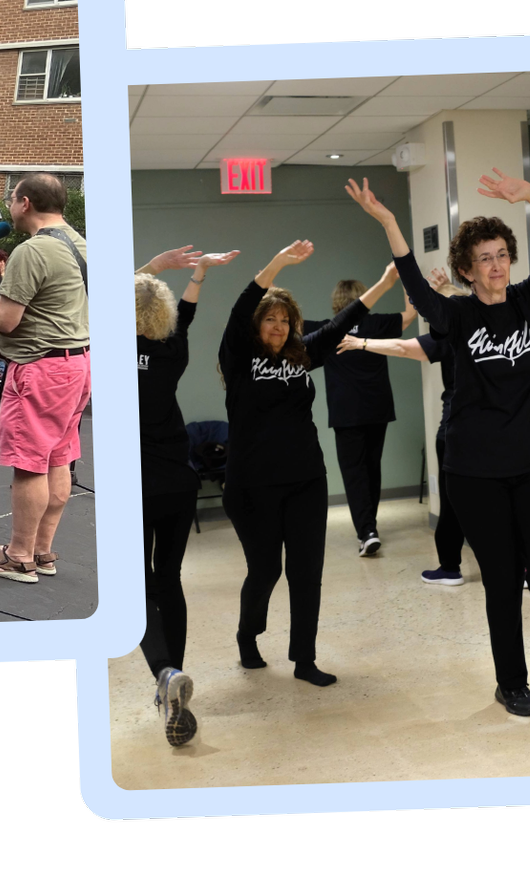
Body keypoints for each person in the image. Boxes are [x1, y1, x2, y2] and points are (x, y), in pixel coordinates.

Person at [351, 170, 530, 724]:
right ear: (466, 269)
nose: (497, 264)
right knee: (502, 580)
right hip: (476, 472)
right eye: (484, 257)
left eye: (503, 253)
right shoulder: (455, 314)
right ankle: (512, 683)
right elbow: (412, 276)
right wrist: (388, 221)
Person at [212, 242, 382, 686]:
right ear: (257, 325)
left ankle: (304, 660)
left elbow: (345, 320)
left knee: (307, 572)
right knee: (266, 569)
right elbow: (240, 307)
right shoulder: (240, 357)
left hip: (306, 480)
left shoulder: (302, 355)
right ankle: (248, 635)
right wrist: (277, 265)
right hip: (252, 486)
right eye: (271, 319)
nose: (279, 326)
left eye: (286, 320)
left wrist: (386, 282)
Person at [0, 175, 93, 585]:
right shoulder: (82, 244)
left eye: (12, 199)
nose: (10, 206)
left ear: (25, 203)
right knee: (58, 458)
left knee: (29, 464)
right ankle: (41, 552)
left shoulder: (33, 250)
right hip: (78, 364)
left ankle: (18, 557)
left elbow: (7, 321)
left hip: (41, 369)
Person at [134, 245, 238, 746]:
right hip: (179, 480)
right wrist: (197, 273)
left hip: (137, 487)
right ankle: (173, 679)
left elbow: (102, 297)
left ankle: (164, 671)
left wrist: (154, 268)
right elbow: (188, 311)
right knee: (169, 577)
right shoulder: (174, 349)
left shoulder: (114, 348)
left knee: (137, 585)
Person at [339, 268, 472, 586]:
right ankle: (519, 568)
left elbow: (402, 347)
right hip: (489, 430)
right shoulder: (485, 331)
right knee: (494, 498)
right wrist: (440, 290)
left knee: (456, 503)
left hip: (457, 431)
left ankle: (452, 567)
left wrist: (361, 343)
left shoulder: (448, 337)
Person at [307, 272, 416, 557]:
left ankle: (367, 531)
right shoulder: (377, 323)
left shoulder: (327, 330)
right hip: (377, 408)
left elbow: (291, 325)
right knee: (371, 468)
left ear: (336, 302)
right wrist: (407, 281)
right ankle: (369, 527)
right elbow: (409, 315)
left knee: (354, 472)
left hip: (346, 413)